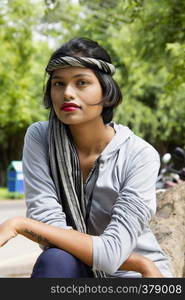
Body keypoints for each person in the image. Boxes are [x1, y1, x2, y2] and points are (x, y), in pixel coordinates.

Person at [0, 37, 172, 278]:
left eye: (82, 82)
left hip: (136, 277)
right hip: (88, 267)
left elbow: (112, 253)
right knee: (55, 260)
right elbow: (50, 226)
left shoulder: (140, 156)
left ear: (107, 91)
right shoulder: (41, 138)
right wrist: (137, 262)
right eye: (58, 84)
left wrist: (22, 225)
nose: (67, 93)